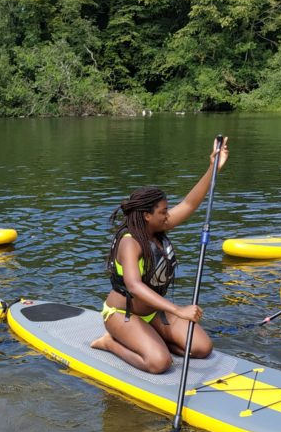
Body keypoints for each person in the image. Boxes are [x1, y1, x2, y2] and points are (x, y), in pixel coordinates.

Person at [90, 138, 229, 374]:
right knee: (159, 364)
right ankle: (110, 343)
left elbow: (190, 203)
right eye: (163, 211)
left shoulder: (157, 227)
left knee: (202, 348)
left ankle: (151, 338)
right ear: (146, 215)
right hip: (124, 315)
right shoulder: (130, 242)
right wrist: (178, 310)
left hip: (153, 313)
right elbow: (133, 286)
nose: (168, 215)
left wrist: (213, 168)